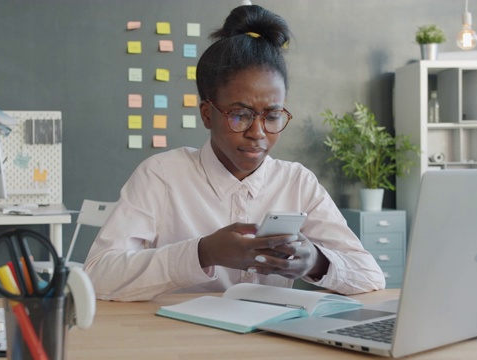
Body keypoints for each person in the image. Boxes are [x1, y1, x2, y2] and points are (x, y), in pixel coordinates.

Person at [83, 4, 385, 301]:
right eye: (239, 115)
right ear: (206, 114)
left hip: (266, 343)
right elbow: (97, 276)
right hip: (180, 344)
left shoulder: (297, 183)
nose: (257, 132)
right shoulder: (161, 176)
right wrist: (203, 253)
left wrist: (317, 262)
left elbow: (370, 276)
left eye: (273, 115)